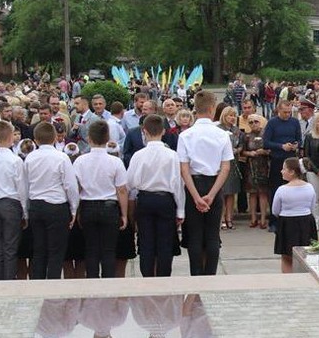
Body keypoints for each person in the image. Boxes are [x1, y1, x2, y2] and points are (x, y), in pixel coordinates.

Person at [177, 90, 233, 276]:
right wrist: (212, 194)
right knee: (212, 235)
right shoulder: (222, 135)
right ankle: (210, 275)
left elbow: (184, 169)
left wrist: (195, 196)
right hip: (214, 184)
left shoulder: (185, 135)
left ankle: (196, 275)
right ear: (212, 109)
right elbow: (225, 168)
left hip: (193, 183)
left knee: (194, 235)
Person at [126, 114, 184, 277]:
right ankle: (163, 278)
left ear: (144, 131)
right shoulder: (172, 155)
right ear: (163, 131)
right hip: (165, 200)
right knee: (165, 243)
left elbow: (129, 182)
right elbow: (177, 184)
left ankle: (147, 278)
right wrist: (180, 210)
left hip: (145, 199)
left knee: (146, 242)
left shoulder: (139, 155)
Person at [73, 120, 129, 278]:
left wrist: (75, 210)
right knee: (109, 249)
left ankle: (92, 283)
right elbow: (122, 190)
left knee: (90, 248)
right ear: (108, 139)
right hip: (109, 207)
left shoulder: (80, 161)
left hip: (88, 206)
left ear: (89, 139)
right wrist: (124, 214)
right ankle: (108, 284)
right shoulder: (116, 161)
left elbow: (76, 188)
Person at [25, 121, 80, 280]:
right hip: (56, 207)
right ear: (55, 138)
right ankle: (53, 284)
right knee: (56, 251)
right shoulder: (61, 157)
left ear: (35, 139)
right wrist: (74, 208)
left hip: (36, 205)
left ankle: (38, 284)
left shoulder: (30, 158)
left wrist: (26, 209)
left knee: (39, 249)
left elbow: (25, 184)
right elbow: (70, 185)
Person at [0, 120, 27, 280]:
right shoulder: (15, 160)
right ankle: (8, 280)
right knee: (10, 246)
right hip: (11, 203)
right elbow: (21, 187)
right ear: (11, 137)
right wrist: (24, 211)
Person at [272, 158, 316, 273]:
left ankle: (288, 281)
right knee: (305, 254)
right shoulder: (310, 187)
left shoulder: (281, 190)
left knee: (287, 256)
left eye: (284, 169)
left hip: (287, 224)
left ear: (292, 172)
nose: (281, 171)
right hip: (306, 222)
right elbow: (312, 207)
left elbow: (275, 210)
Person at [262, 100, 301, 232]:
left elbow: (299, 139)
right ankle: (274, 221)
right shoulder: (272, 123)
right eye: (285, 112)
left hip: (291, 160)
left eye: (289, 112)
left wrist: (296, 145)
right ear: (278, 110)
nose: (287, 115)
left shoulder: (294, 122)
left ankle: (290, 219)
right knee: (275, 190)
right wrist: (281, 146)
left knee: (292, 190)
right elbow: (266, 142)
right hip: (277, 160)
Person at [216, 106, 243, 230]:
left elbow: (241, 145)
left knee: (231, 192)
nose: (232, 118)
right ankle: (221, 218)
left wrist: (236, 150)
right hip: (221, 163)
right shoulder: (217, 129)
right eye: (229, 115)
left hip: (234, 163)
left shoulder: (237, 130)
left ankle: (229, 218)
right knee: (222, 192)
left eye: (234, 115)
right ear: (224, 116)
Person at [241, 115, 270, 229]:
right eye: (251, 122)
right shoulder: (246, 136)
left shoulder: (266, 135)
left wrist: (264, 151)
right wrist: (249, 153)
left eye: (256, 122)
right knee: (252, 193)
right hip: (251, 166)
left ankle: (263, 218)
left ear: (261, 122)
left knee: (263, 193)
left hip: (263, 166)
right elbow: (242, 151)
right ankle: (253, 218)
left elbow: (270, 149)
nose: (254, 124)